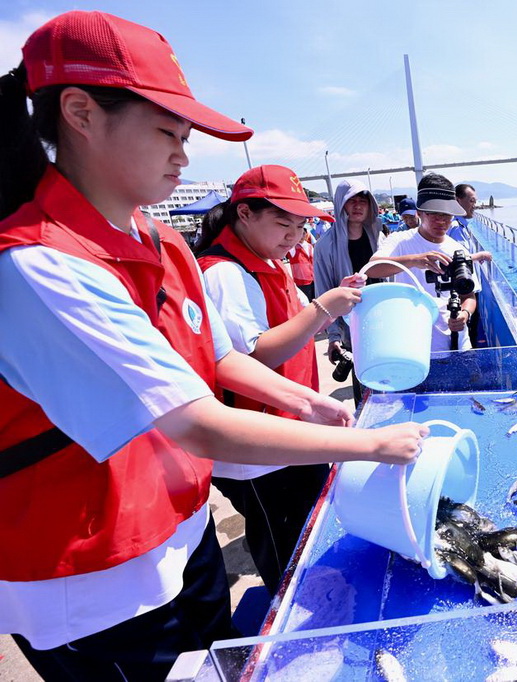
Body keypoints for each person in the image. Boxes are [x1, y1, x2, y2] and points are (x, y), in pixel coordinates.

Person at [0, 12, 425, 680]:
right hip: (89, 582)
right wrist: (372, 444)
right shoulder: (39, 267)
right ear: (80, 112)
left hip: (183, 531)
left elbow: (212, 358)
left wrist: (301, 399)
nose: (183, 155)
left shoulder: (162, 243)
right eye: (168, 132)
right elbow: (198, 423)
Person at [196, 164, 366, 593]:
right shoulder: (225, 273)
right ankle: (289, 624)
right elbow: (253, 355)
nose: (293, 236)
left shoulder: (271, 262)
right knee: (283, 543)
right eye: (282, 223)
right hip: (256, 447)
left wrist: (326, 304)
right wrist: (323, 308)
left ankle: (315, 598)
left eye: (299, 225)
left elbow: (289, 329)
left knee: (308, 523)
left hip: (290, 427)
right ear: (245, 214)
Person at [365, 173, 481, 353]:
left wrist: (464, 314)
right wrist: (414, 260)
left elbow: (469, 296)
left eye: (447, 215)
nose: (441, 221)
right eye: (434, 214)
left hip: (457, 342)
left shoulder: (458, 250)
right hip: (413, 345)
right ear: (419, 213)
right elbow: (372, 268)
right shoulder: (400, 241)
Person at [313, 179, 384, 402]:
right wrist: (333, 336)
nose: (357, 206)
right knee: (365, 387)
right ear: (340, 204)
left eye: (362, 201)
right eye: (350, 201)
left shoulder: (379, 238)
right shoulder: (325, 246)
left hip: (383, 319)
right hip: (351, 328)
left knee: (389, 377)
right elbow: (323, 289)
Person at [288, 228, 316, 300]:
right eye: (300, 233)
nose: (302, 236)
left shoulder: (309, 246)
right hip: (302, 281)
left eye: (303, 233)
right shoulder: (292, 247)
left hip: (313, 279)